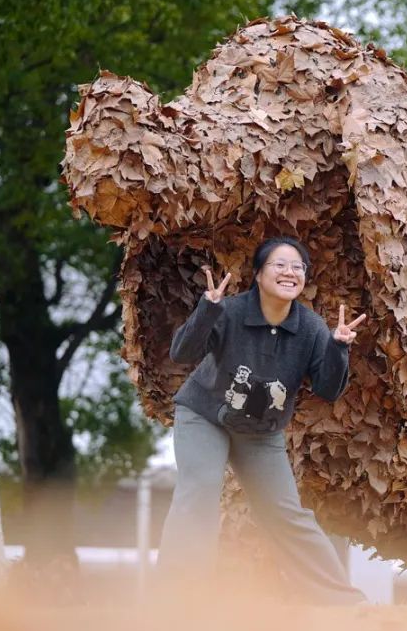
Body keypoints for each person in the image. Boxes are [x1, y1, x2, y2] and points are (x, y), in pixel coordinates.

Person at [157, 236, 368, 604]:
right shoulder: (231, 311)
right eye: (279, 265)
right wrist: (208, 309)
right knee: (200, 489)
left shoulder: (311, 328)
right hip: (205, 415)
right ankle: (177, 598)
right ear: (258, 274)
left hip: (259, 430)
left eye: (298, 267)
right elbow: (181, 353)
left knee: (286, 513)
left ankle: (342, 601)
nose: (290, 272)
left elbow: (328, 389)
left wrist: (337, 348)